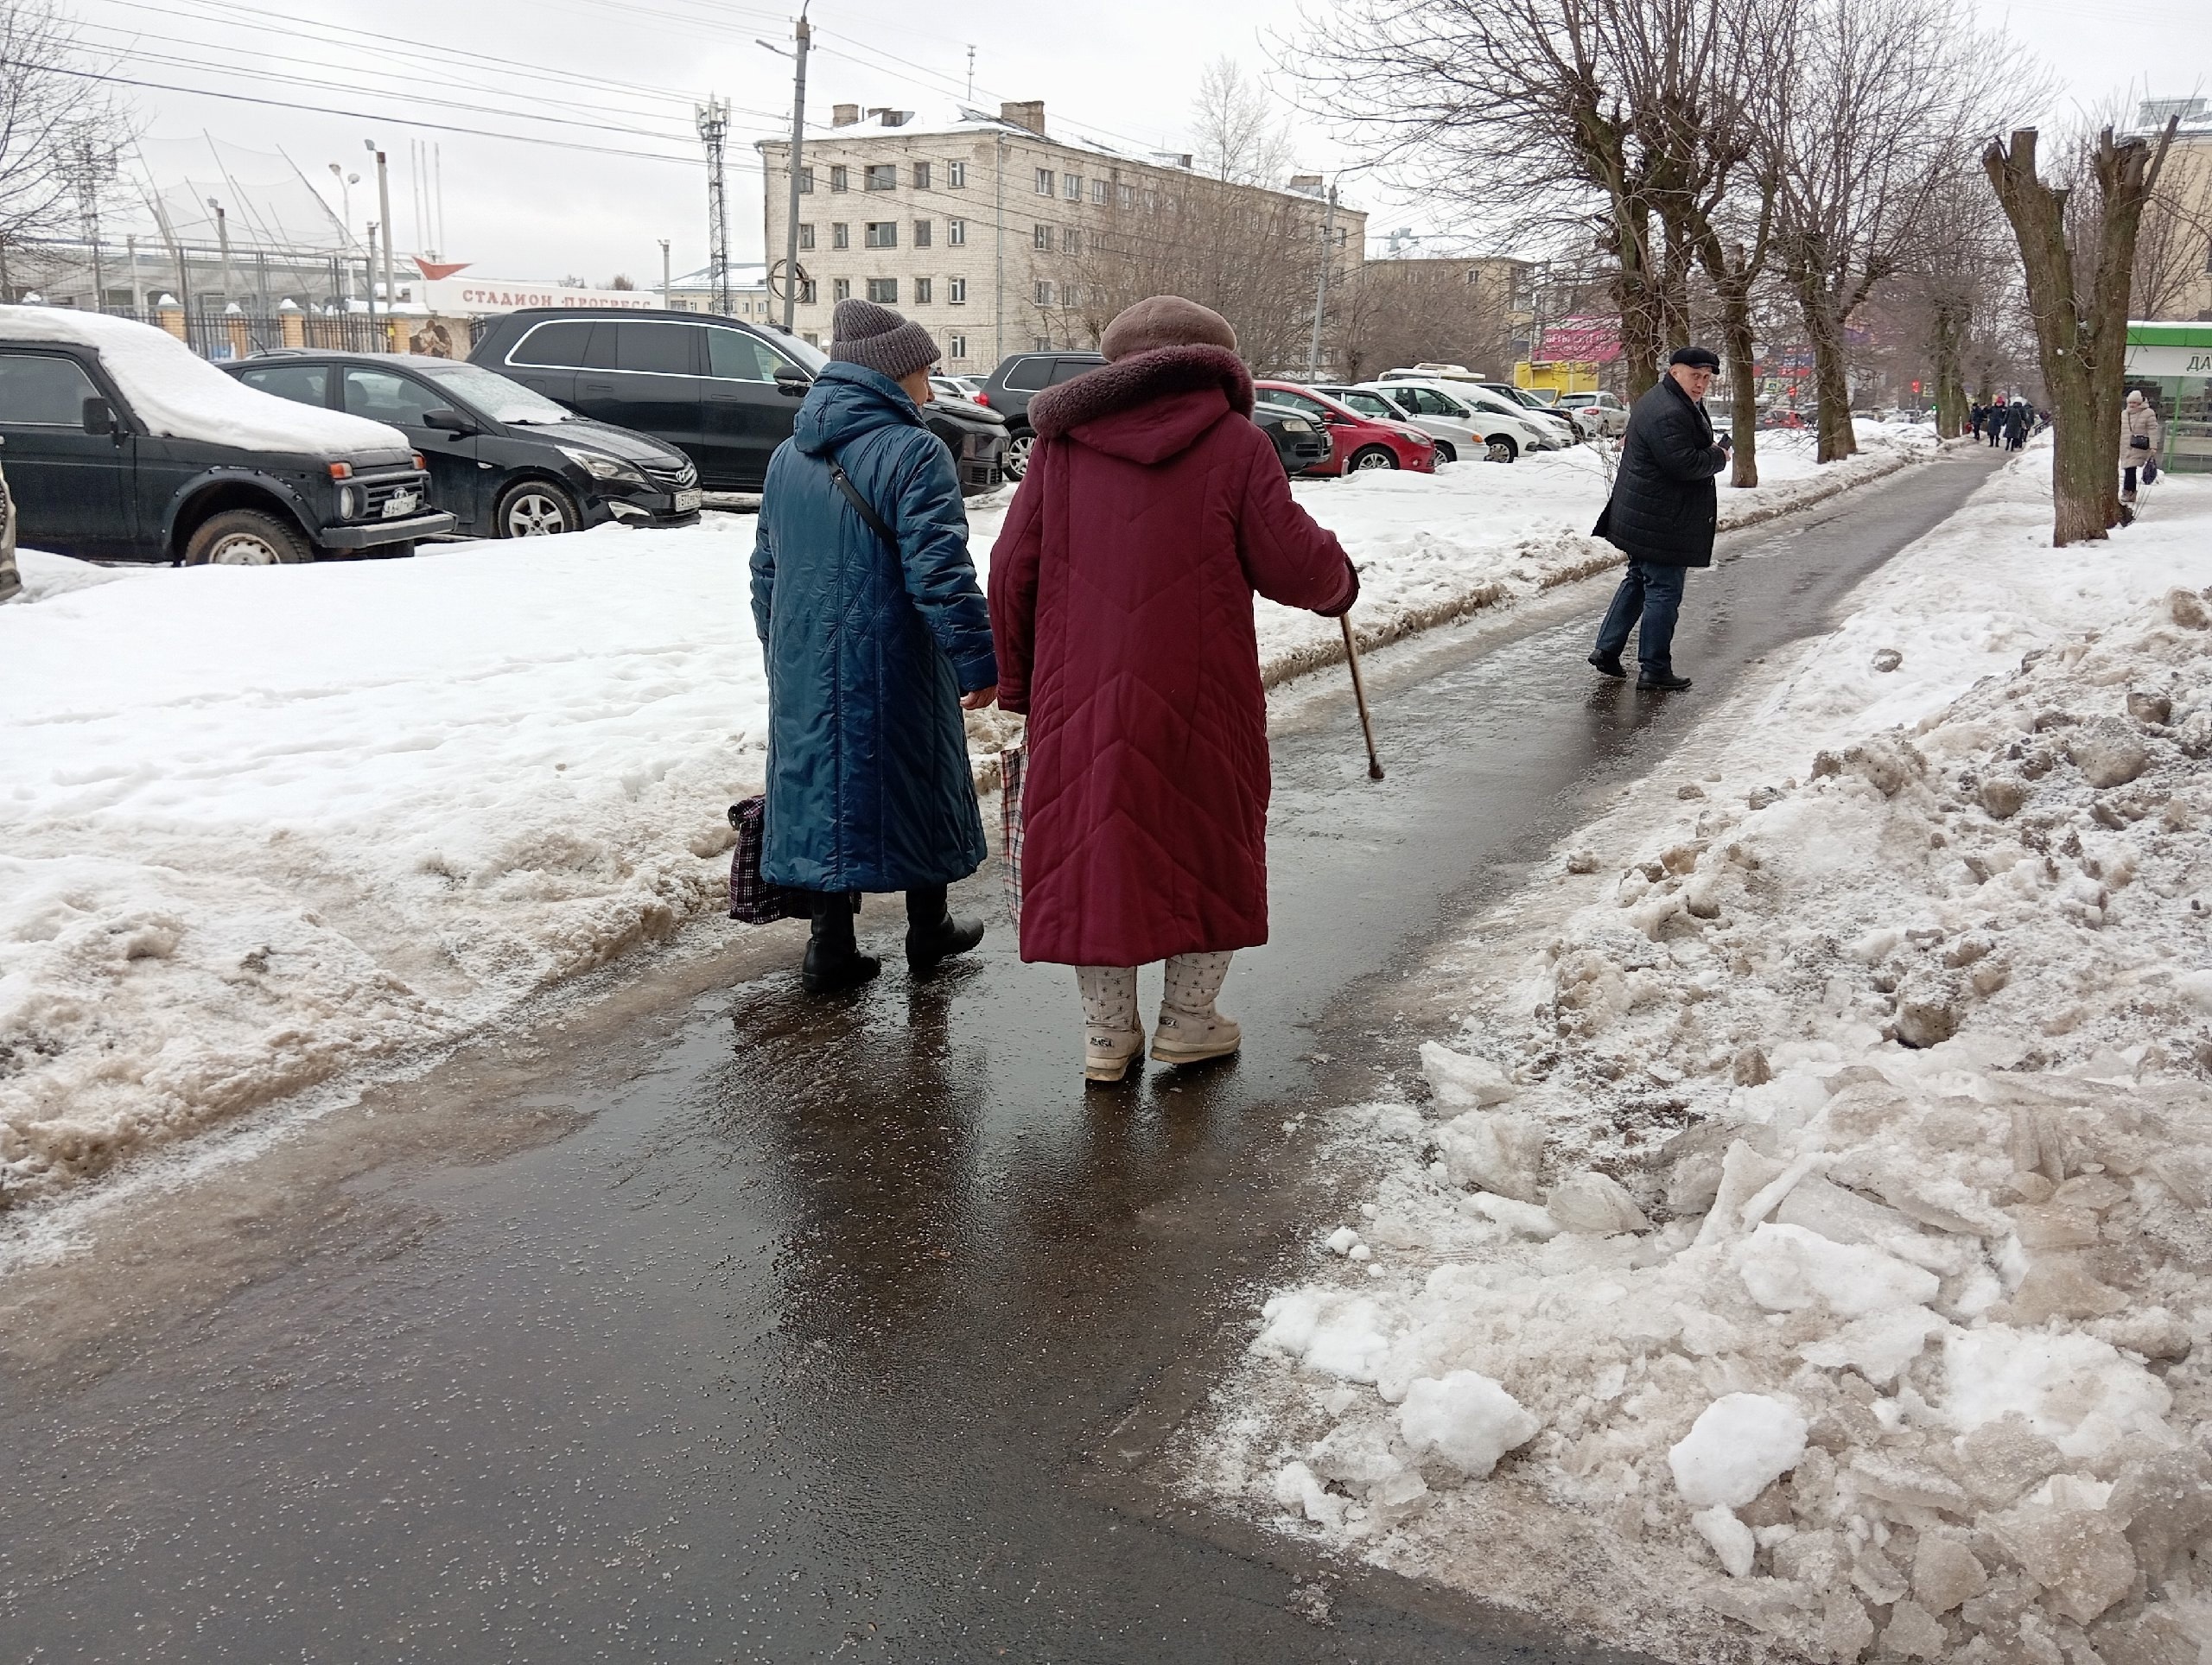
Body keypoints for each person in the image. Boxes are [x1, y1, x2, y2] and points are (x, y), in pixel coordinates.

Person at [988, 296, 1359, 1084]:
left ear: (1116, 364)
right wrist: (1337, 583)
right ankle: (1190, 1021)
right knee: (1204, 842)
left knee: (1097, 851)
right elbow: (1293, 560)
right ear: (1214, 361)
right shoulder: (1236, 442)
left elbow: (1010, 565)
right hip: (1203, 692)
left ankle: (1104, 1038)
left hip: (1078, 693)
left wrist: (1019, 682)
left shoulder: (1059, 448)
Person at [750, 298, 1000, 995]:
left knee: (822, 785)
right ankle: (930, 929)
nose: (930, 382)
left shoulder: (786, 456)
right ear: (893, 374)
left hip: (803, 658)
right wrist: (977, 659)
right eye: (925, 369)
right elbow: (940, 571)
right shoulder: (914, 450)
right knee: (913, 775)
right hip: (894, 654)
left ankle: (829, 946)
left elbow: (765, 566)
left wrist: (780, 647)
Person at [1586, 346, 1731, 693]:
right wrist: (1719, 455)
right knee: (1663, 591)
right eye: (1695, 376)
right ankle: (1654, 669)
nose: (1701, 384)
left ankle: (1607, 649)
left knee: (1639, 579)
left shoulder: (1668, 399)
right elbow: (1684, 465)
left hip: (1648, 512)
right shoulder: (1669, 410)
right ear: (1675, 371)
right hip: (1662, 518)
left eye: (1707, 378)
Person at [2120, 389, 2160, 502]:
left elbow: (2152, 430)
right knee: (2128, 469)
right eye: (2130, 403)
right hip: (2125, 446)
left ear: (2140, 402)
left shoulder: (2148, 413)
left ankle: (2128, 492)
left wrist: (2153, 446)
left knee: (2130, 469)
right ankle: (2129, 492)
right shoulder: (2124, 414)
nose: (2132, 405)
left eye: (2134, 403)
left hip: (2138, 446)